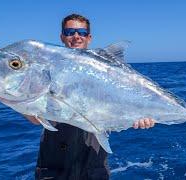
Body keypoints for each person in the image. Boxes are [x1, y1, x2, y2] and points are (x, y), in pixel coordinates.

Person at [26, 14, 156, 180]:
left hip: (93, 166)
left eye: (81, 32)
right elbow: (37, 118)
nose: (76, 36)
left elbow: (122, 109)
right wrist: (7, 96)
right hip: (53, 166)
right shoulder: (50, 69)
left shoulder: (107, 75)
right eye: (70, 31)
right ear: (62, 37)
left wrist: (140, 118)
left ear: (89, 37)